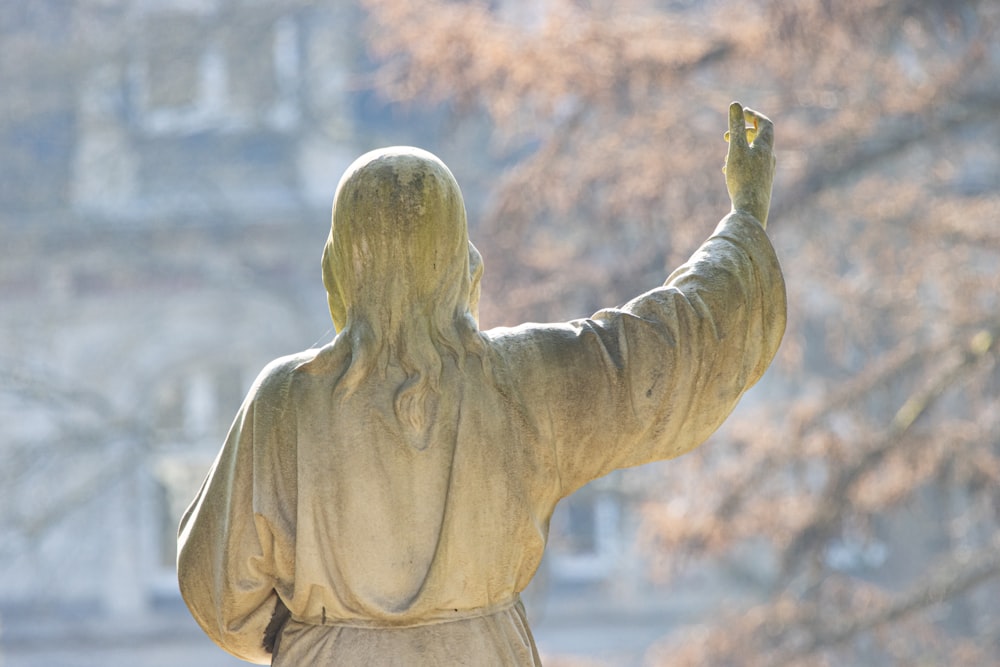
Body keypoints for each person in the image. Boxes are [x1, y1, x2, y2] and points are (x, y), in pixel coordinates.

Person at [177, 102, 786, 665]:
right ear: (461, 261)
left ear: (339, 266)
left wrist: (322, 628)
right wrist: (745, 215)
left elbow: (220, 588)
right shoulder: (524, 379)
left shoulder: (286, 399)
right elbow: (671, 346)